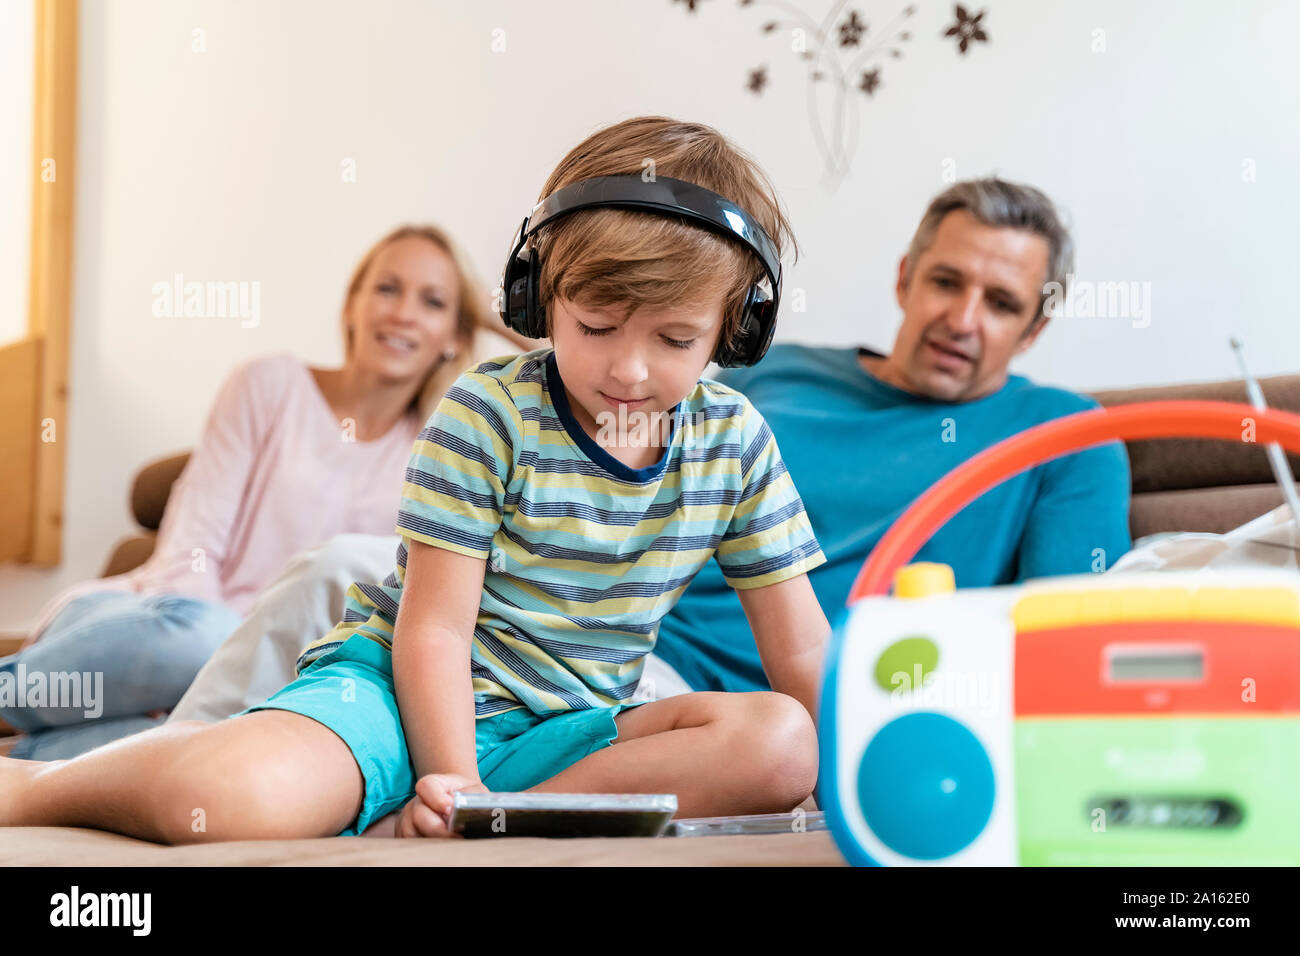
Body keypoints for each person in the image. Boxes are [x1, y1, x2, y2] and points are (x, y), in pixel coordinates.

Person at [0, 116, 830, 843]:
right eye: (597, 326)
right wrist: (452, 774)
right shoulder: (486, 411)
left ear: (736, 330)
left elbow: (798, 647)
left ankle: (501, 819)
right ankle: (36, 784)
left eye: (677, 340)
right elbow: (433, 631)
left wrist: (855, 789)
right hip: (399, 698)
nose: (630, 368)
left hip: (575, 729)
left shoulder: (737, 443)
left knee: (785, 741)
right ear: (541, 297)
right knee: (231, 798)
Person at [0, 223, 521, 761]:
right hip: (159, 626)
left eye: (433, 302)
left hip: (263, 676)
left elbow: (565, 371)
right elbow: (189, 550)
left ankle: (24, 762)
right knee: (200, 647)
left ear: (455, 335)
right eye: (387, 289)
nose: (404, 313)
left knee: (182, 751)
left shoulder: (440, 451)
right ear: (351, 307)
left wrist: (494, 310)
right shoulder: (269, 385)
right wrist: (218, 666)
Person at [652, 179, 1132, 695]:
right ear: (905, 280)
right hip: (648, 653)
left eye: (1001, 304)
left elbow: (1069, 641)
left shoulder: (1067, 435)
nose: (962, 321)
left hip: (826, 712)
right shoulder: (772, 374)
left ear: (1033, 330)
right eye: (946, 282)